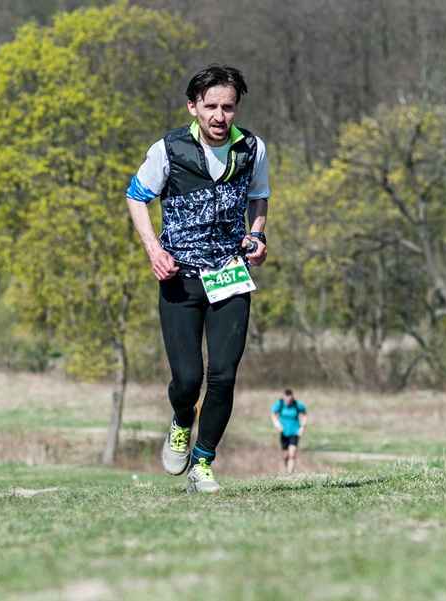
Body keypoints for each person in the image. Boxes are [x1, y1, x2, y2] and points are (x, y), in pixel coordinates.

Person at [126, 64, 268, 493]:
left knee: (223, 374)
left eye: (228, 107)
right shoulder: (168, 150)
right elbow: (137, 197)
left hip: (229, 273)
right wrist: (155, 251)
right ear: (194, 107)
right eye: (211, 107)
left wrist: (257, 235)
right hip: (179, 277)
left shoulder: (253, 149)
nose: (220, 116)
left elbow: (259, 197)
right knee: (188, 380)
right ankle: (181, 421)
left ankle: (202, 464)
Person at [270, 389, 307, 473]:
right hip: (284, 433)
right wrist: (277, 424)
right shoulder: (279, 404)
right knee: (285, 455)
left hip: (294, 432)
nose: (287, 402)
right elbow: (273, 413)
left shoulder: (297, 405)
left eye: (289, 400)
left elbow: (305, 414)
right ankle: (286, 469)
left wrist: (302, 427)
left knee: (292, 454)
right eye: (286, 400)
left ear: (292, 398)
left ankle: (289, 473)